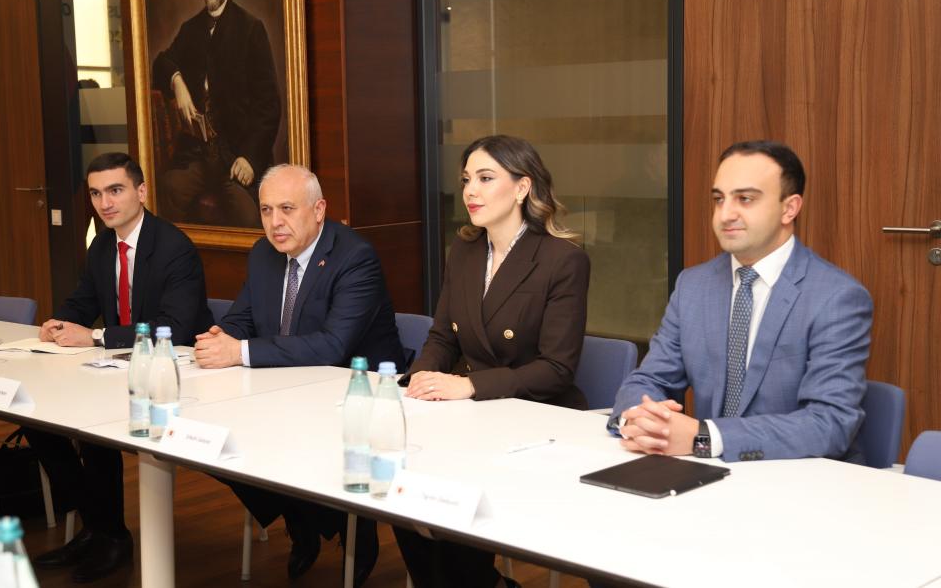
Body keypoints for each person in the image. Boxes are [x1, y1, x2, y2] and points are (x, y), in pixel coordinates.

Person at [194, 164, 404, 586]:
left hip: (354, 396)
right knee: (215, 441)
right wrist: (221, 337)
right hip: (286, 387)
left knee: (280, 434)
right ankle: (300, 515)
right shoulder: (263, 253)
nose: (275, 222)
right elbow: (243, 317)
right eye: (266, 210)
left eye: (287, 209)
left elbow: (332, 346)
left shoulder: (355, 257)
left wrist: (239, 351)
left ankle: (353, 529)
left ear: (319, 209)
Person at [396, 134, 590, 588]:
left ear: (522, 188)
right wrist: (421, 378)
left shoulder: (562, 260)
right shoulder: (464, 251)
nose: (470, 191)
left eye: (485, 178)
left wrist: (468, 386)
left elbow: (557, 369)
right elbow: (443, 337)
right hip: (471, 415)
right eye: (466, 179)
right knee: (399, 488)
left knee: (456, 490)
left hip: (534, 417)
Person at [610, 140, 873, 463]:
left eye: (745, 199)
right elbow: (648, 380)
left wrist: (704, 437)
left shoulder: (836, 297)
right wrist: (640, 420)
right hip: (704, 474)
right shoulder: (694, 285)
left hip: (798, 478)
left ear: (789, 208)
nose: (725, 214)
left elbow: (829, 423)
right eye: (719, 199)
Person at [27, 152, 213, 583]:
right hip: (119, 366)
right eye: (96, 194)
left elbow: (174, 328)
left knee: (96, 428)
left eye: (115, 190)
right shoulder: (102, 244)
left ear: (141, 191)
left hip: (174, 372)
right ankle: (98, 526)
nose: (105, 203)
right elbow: (84, 300)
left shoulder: (174, 248)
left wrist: (95, 337)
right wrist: (59, 322)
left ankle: (109, 536)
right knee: (39, 420)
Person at [152, 0, 281, 228]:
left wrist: (249, 158)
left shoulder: (251, 29)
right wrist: (177, 81)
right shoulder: (190, 30)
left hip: (236, 156)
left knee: (248, 217)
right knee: (166, 191)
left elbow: (269, 107)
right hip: (198, 157)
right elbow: (161, 62)